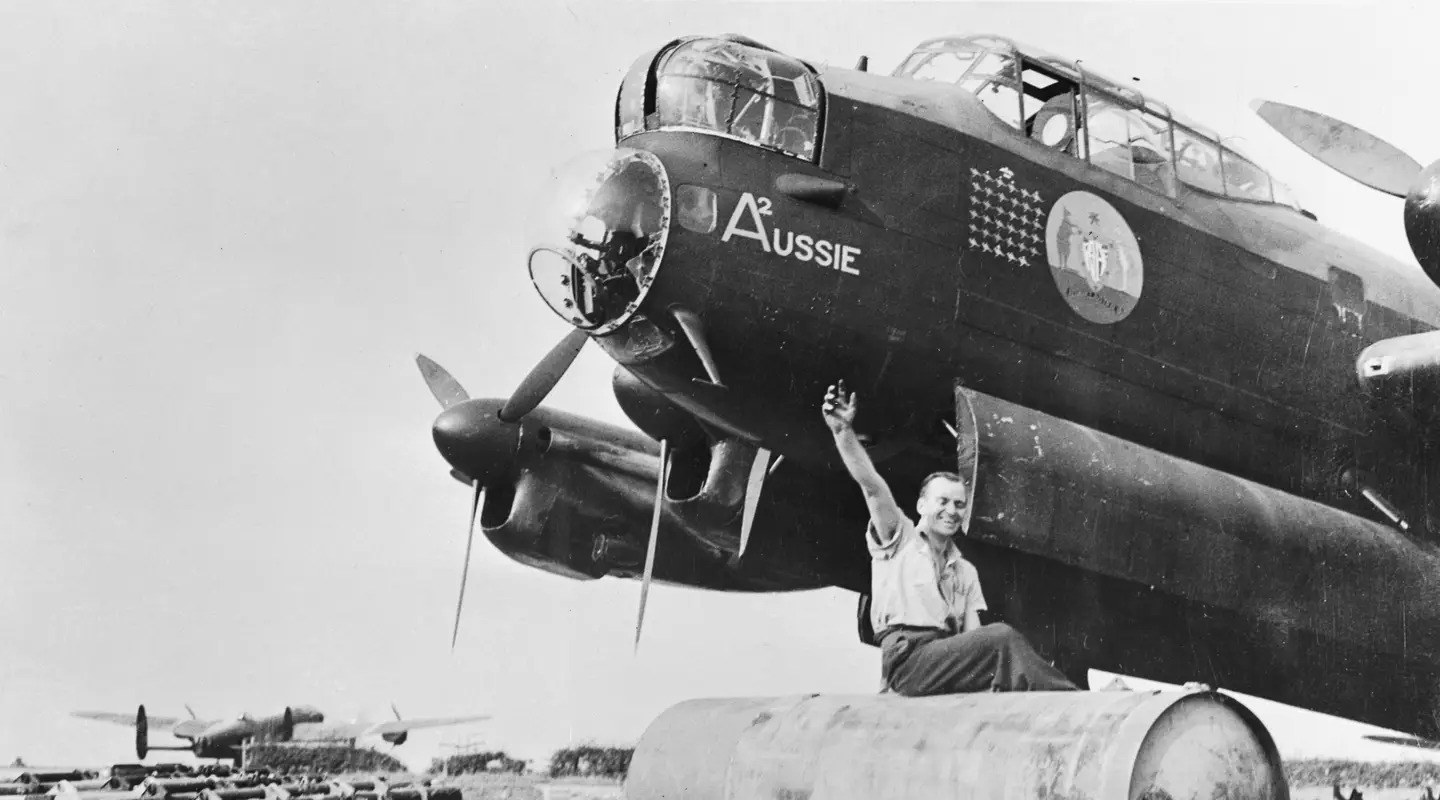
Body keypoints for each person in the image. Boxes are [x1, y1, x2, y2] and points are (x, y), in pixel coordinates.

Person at [822, 380, 1079, 696]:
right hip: (908, 660)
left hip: (944, 660)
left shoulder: (965, 571)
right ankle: (1068, 697)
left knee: (996, 648)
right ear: (921, 505)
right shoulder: (899, 538)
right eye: (942, 502)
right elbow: (872, 486)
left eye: (959, 504)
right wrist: (842, 433)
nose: (951, 511)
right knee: (1002, 637)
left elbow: (974, 637)